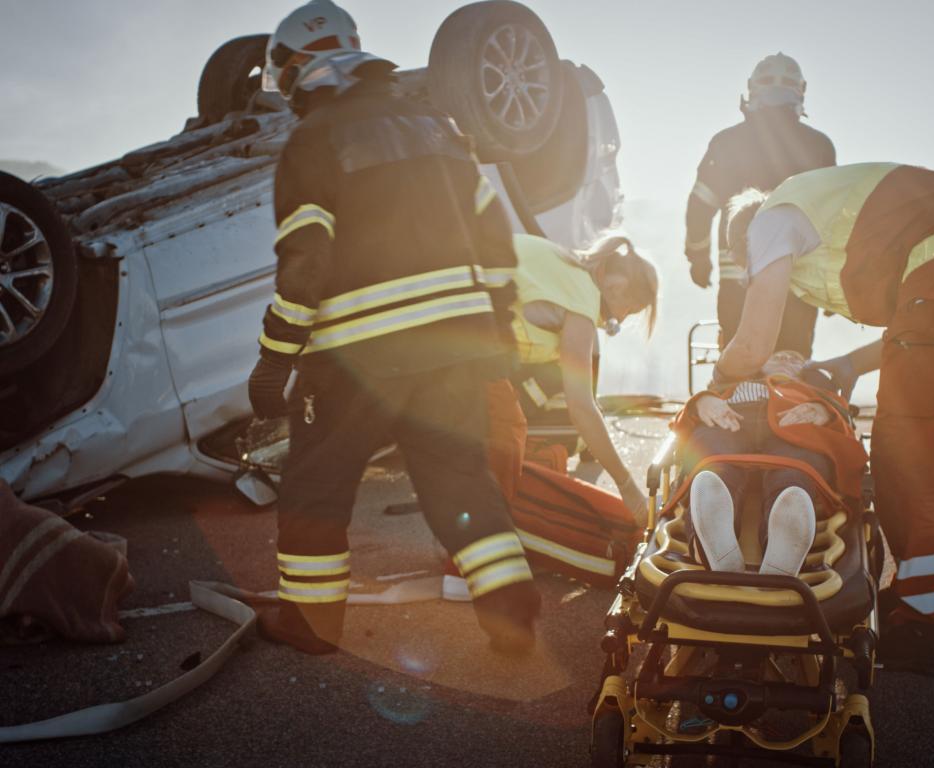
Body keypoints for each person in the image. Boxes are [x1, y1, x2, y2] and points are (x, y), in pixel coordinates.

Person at [247, 0, 539, 655]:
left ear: (298, 67)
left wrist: (275, 357)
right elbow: (496, 242)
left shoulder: (313, 139)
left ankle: (312, 623)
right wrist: (496, 332)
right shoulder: (438, 127)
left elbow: (306, 259)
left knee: (317, 484)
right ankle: (510, 608)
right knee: (460, 478)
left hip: (356, 356)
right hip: (452, 350)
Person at [718, 162, 934, 677]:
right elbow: (929, 312)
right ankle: (922, 595)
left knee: (906, 455)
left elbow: (753, 342)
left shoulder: (770, 218)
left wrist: (720, 378)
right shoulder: (841, 211)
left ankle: (930, 627)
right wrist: (847, 365)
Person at [683, 52, 835, 357]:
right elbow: (831, 218)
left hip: (740, 277)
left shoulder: (727, 143)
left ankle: (736, 403)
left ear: (752, 90)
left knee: (740, 359)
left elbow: (700, 206)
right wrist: (831, 280)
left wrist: (698, 258)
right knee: (790, 365)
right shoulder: (819, 146)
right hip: (800, 278)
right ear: (800, 90)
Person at [505, 232, 659, 524]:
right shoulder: (582, 300)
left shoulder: (566, 266)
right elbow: (583, 409)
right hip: (452, 340)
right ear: (616, 286)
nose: (621, 321)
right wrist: (627, 487)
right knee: (505, 437)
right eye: (630, 310)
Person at [673, 351, 867, 577]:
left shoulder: (815, 392)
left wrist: (824, 411)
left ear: (805, 370)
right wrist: (702, 402)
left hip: (794, 426)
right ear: (760, 364)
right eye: (778, 356)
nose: (785, 360)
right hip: (731, 417)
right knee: (713, 465)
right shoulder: (734, 384)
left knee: (794, 470)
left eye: (795, 359)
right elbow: (685, 419)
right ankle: (708, 542)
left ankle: (784, 546)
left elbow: (842, 415)